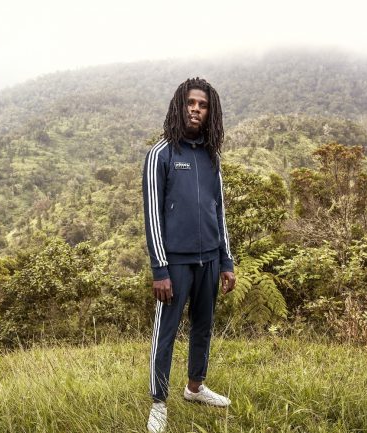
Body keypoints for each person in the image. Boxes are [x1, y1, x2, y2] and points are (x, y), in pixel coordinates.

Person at [142, 77, 236, 433]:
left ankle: (195, 388)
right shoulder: (161, 154)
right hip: (175, 262)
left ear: (210, 112)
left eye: (203, 105)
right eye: (191, 103)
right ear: (179, 106)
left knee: (203, 326)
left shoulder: (212, 157)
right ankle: (158, 403)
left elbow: (219, 210)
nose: (196, 109)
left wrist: (225, 261)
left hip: (209, 259)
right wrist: (160, 269)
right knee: (165, 332)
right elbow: (152, 215)